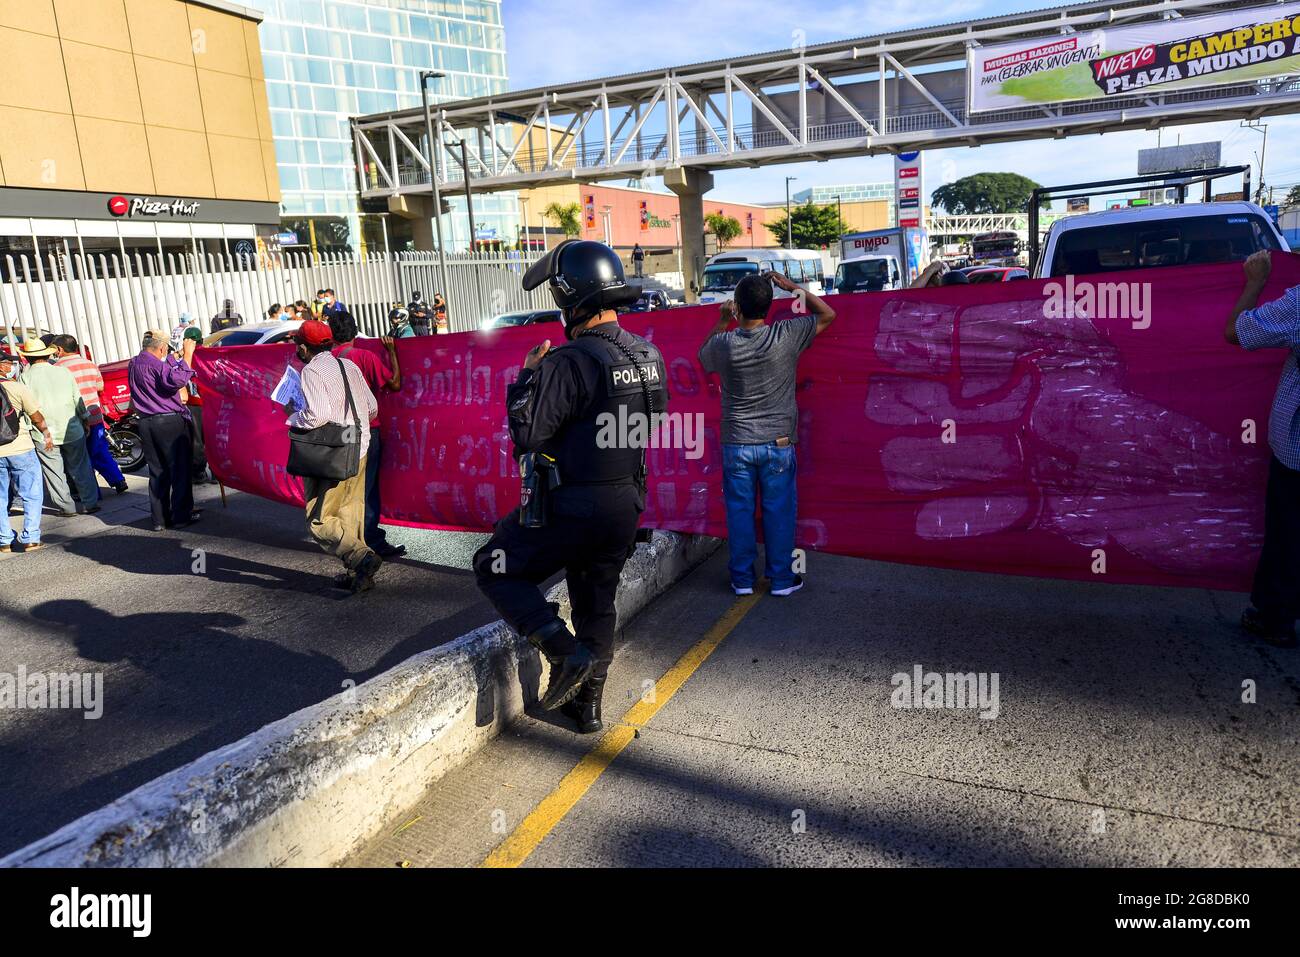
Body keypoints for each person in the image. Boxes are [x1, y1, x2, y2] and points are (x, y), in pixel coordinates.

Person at [473, 239, 668, 732]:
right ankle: (588, 709)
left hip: (575, 504)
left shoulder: (567, 361)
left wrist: (527, 380)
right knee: (596, 603)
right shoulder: (649, 354)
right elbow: (652, 420)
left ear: (572, 299)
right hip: (626, 504)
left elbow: (527, 435)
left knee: (492, 565)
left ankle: (563, 654)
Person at [698, 269, 836, 597]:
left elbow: (703, 357)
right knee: (779, 513)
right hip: (779, 443)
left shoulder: (725, 344)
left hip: (737, 444)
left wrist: (721, 320)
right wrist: (791, 287)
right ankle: (782, 580)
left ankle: (742, 580)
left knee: (740, 512)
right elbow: (828, 314)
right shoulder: (786, 334)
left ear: (738, 309)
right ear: (770, 306)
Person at [1225, 249, 1300, 648]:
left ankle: (1276, 617)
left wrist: (1254, 282)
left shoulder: (1298, 303)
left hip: (1297, 453)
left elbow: (1238, 332)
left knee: (1290, 534)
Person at [287, 319, 381, 592]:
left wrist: (293, 418)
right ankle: (359, 575)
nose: (297, 349)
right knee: (351, 513)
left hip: (332, 452)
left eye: (298, 345)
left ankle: (362, 557)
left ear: (304, 347)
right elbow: (372, 407)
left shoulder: (312, 371)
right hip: (360, 445)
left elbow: (318, 415)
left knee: (320, 519)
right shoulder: (348, 364)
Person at [328, 309, 404, 558]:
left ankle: (349, 538)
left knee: (348, 487)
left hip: (338, 433)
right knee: (367, 488)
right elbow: (394, 384)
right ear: (355, 330)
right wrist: (392, 351)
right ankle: (370, 542)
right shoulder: (364, 357)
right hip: (366, 432)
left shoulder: (325, 360)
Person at [18, 338, 99, 516]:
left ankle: (66, 507)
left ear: (28, 359)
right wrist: (85, 420)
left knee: (54, 472)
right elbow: (77, 400)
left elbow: (26, 407)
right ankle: (90, 503)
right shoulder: (64, 372)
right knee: (80, 466)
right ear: (47, 355)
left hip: (44, 433)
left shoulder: (24, 378)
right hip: (72, 429)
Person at [128, 329, 199, 530]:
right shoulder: (157, 365)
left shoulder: (134, 363)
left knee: (158, 471)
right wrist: (187, 355)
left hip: (146, 422)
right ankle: (181, 516)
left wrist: (171, 359)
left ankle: (159, 519)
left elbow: (159, 376)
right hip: (168, 421)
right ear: (162, 347)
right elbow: (176, 381)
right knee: (179, 470)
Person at [51, 334, 128, 495]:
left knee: (81, 458)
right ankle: (118, 479)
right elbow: (100, 387)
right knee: (100, 449)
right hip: (95, 415)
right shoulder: (89, 364)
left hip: (74, 419)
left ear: (59, 349)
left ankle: (94, 493)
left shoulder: (57, 368)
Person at [0, 349, 56, 552]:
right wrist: (46, 433)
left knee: (0, 497)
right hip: (20, 447)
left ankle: (4, 540)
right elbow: (36, 415)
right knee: (31, 493)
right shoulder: (17, 388)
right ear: (1, 366)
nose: (11, 367)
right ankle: (30, 537)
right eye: (8, 363)